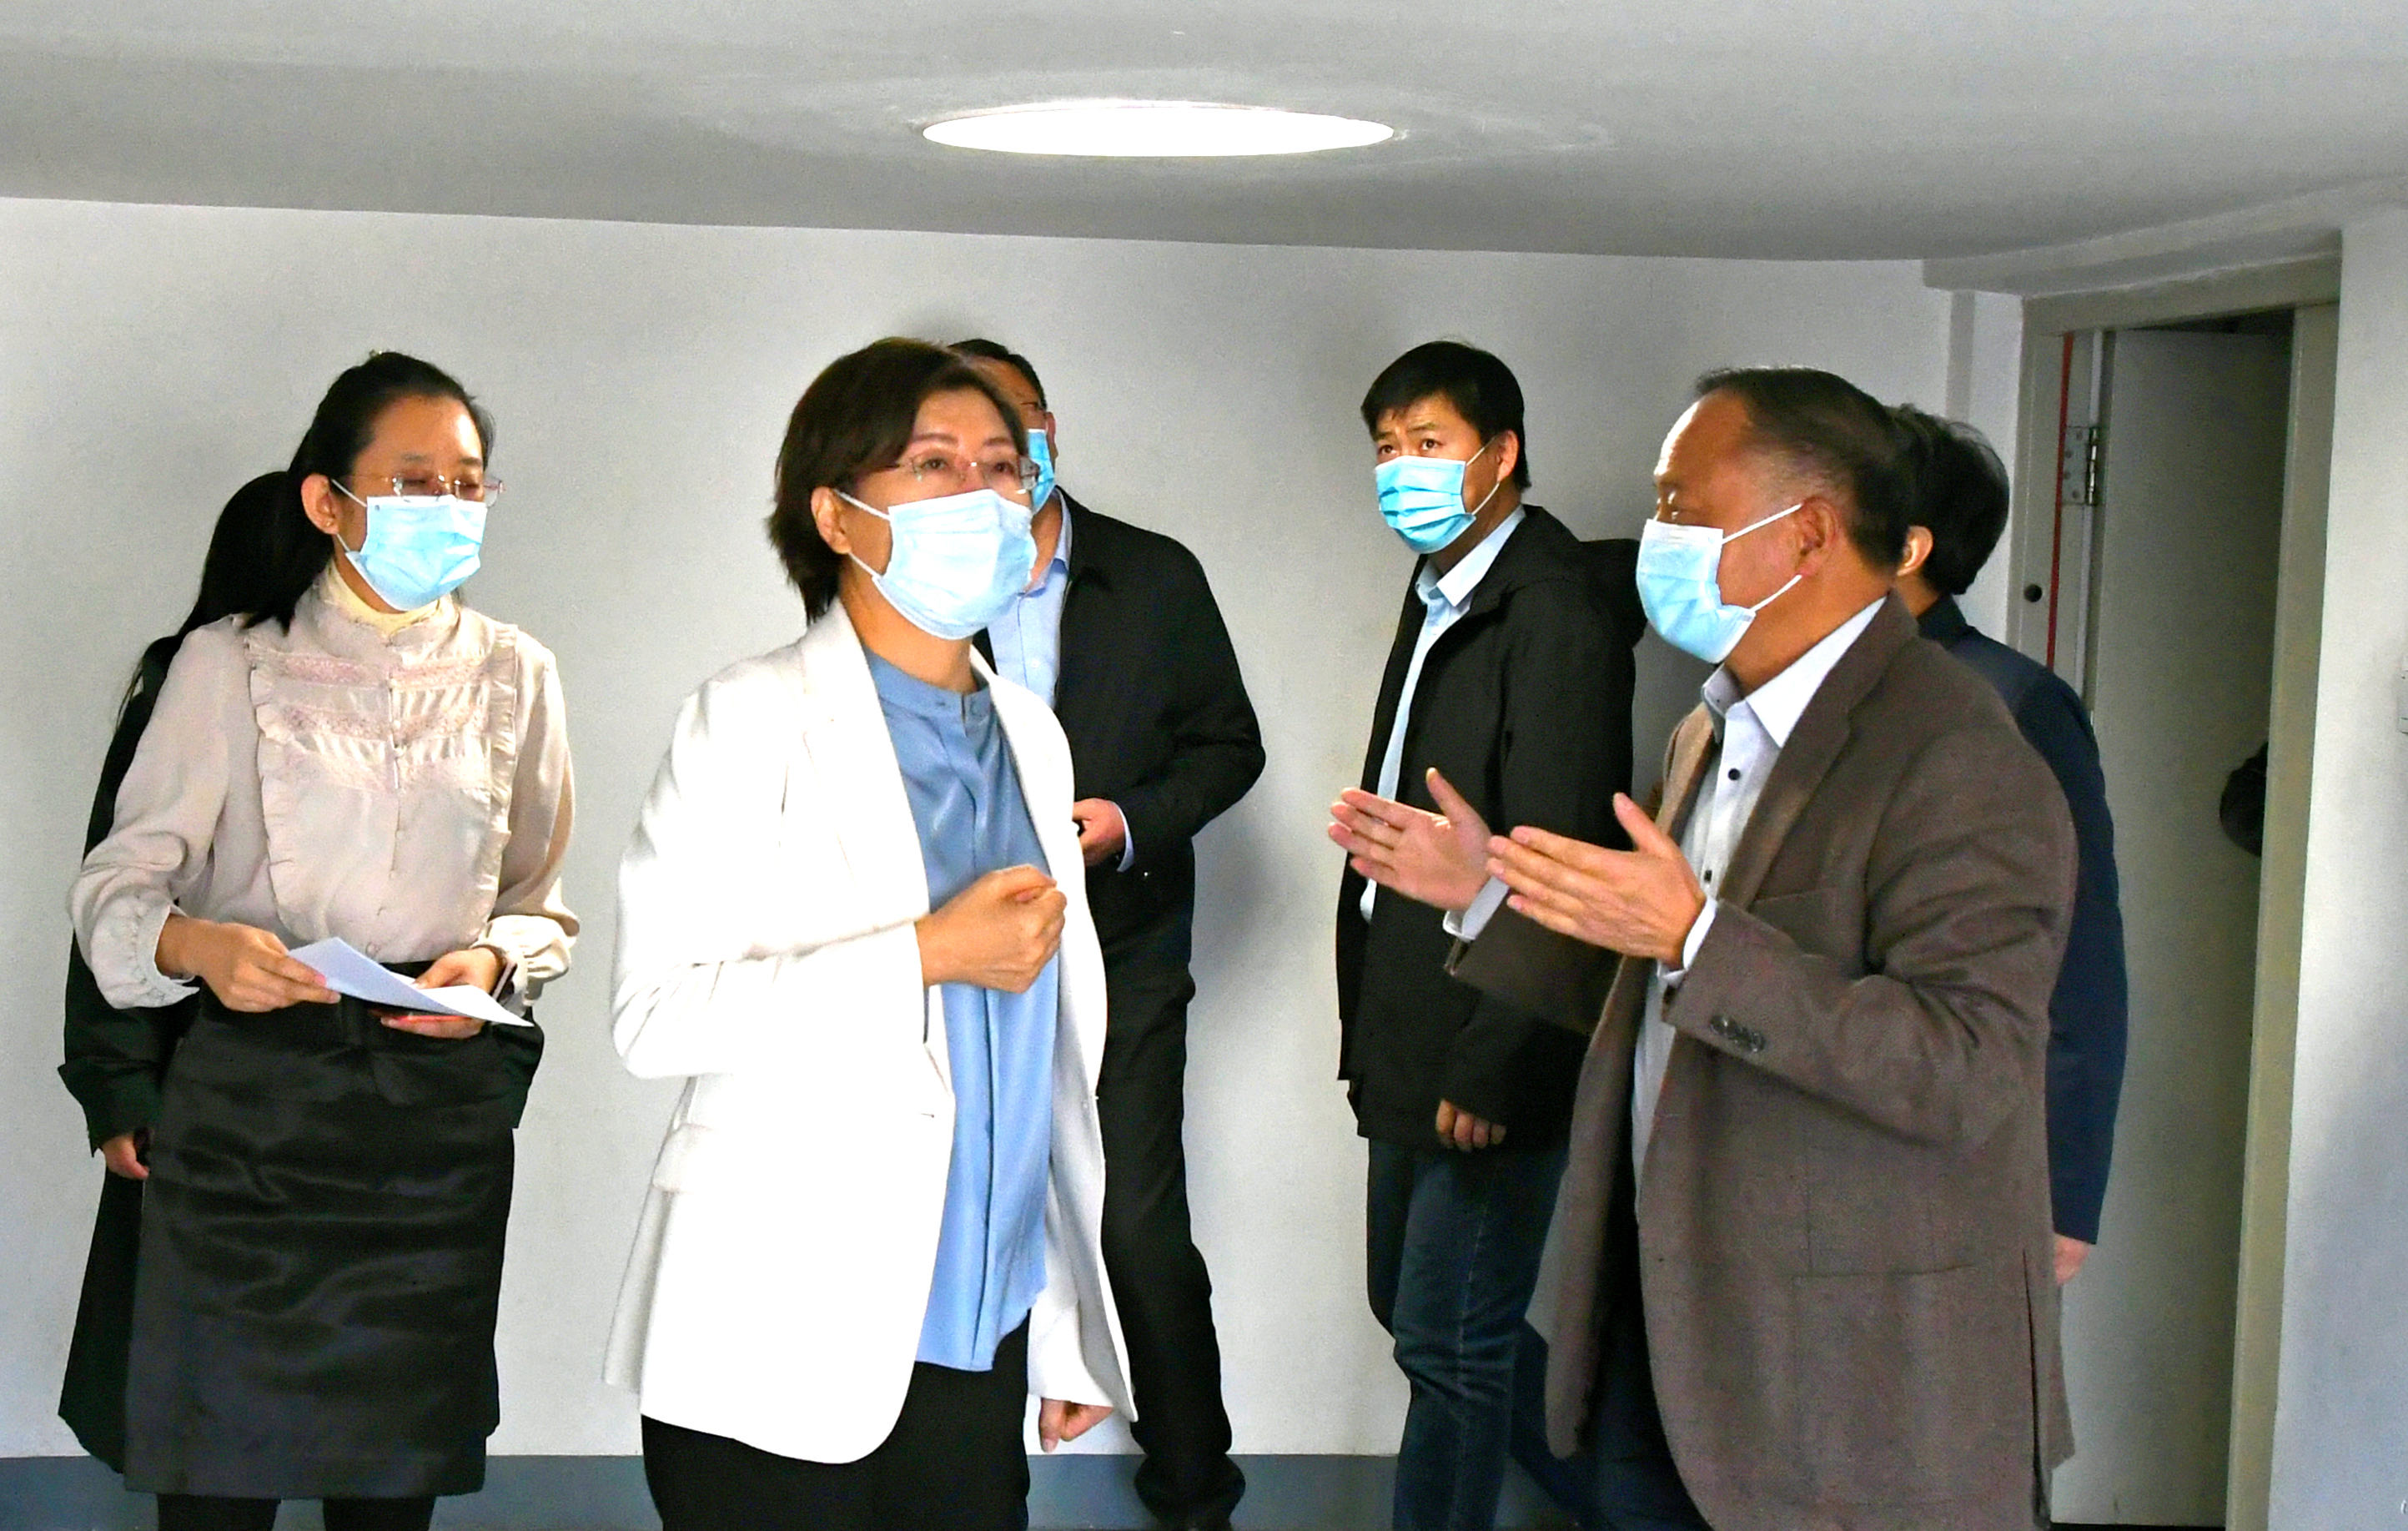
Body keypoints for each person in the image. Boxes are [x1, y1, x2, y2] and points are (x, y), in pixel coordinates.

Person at [1435, 367, 2076, 1527]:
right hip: (1668, 1321)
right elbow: (1660, 979)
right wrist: (1487, 890)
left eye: (1681, 507)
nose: (1656, 537)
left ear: (1809, 533)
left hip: (1842, 1379)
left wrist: (1695, 933)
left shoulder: (1957, 751)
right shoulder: (1713, 722)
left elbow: (1965, 1064)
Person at [605, 338, 1132, 1531]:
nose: (981, 494)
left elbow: (1034, 1072)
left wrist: (1063, 1326)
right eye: (932, 462)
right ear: (836, 515)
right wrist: (923, 955)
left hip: (977, 1335)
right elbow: (653, 1013)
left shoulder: (1030, 734)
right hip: (779, 1325)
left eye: (1003, 466)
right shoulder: (751, 715)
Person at [68, 353, 576, 1531]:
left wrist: (492, 961)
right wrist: (198, 946)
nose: (447, 505)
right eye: (413, 480)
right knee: (217, 1476)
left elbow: (540, 899)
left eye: (467, 483)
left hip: (427, 1121)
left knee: (391, 1483)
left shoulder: (516, 672)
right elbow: (116, 885)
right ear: (327, 500)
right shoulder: (228, 661)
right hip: (253, 1110)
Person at [950, 338, 1263, 1531]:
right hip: (961, 959)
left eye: (1015, 419)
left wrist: (1126, 821)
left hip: (1125, 943)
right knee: (969, 1226)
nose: (999, 449)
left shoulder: (1154, 574)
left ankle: (1194, 1490)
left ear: (1047, 427)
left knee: (1134, 1222)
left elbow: (1228, 746)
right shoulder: (914, 584)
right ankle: (975, 1493)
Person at [1323, 340, 1628, 1531]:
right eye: (1386, 447)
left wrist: (1500, 1057)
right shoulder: (1443, 584)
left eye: (1429, 443)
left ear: (1499, 455)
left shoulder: (1550, 613)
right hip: (1411, 1003)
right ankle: (1630, 1500)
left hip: (1488, 1021)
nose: (1400, 468)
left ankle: (1630, 1498)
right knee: (1418, 1312)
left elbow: (1558, 853)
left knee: (1448, 1345)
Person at [57, 471, 289, 1474]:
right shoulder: (191, 677)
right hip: (194, 1065)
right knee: (190, 1373)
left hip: (338, 1079)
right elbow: (113, 900)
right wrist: (119, 1090)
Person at [1892, 404, 2130, 1284]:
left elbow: (2079, 953)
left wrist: (2064, 1188)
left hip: (1966, 1151)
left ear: (1908, 546)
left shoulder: (2008, 701)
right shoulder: (1790, 690)